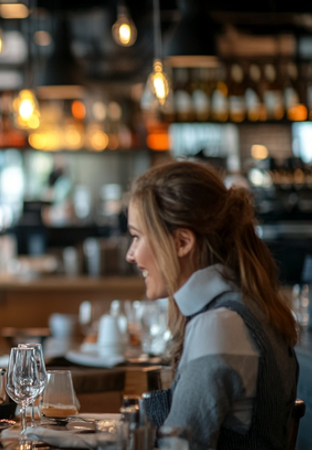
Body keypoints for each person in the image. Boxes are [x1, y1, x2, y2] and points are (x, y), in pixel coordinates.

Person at [125, 161, 298, 449]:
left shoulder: (218, 324)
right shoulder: (249, 304)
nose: (131, 254)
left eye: (138, 237)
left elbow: (179, 447)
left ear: (182, 242)